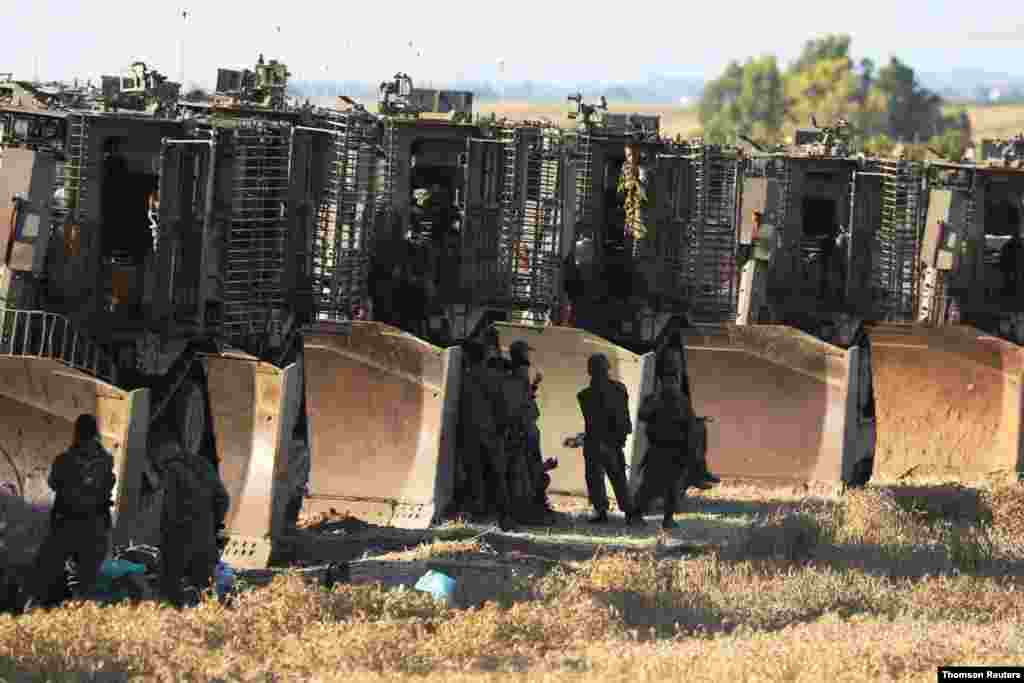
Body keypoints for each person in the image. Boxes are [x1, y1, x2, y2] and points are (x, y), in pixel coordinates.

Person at [28, 414, 116, 607]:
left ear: (76, 433)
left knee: (43, 573)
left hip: (67, 527)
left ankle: (35, 613)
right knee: (86, 585)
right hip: (96, 529)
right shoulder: (107, 460)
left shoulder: (64, 460)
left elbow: (53, 483)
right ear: (95, 433)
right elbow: (109, 483)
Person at [156, 439, 230, 608]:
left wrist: (167, 533)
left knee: (170, 590)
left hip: (179, 539)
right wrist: (212, 523)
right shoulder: (203, 464)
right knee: (204, 589)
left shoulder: (172, 469)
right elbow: (223, 498)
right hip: (205, 538)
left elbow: (170, 508)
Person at [576, 354, 643, 525]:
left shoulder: (584, 395)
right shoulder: (619, 389)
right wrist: (620, 437)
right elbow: (624, 417)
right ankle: (629, 512)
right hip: (611, 441)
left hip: (597, 441)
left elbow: (594, 421)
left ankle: (602, 511)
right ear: (607, 368)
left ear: (590, 371)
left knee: (597, 478)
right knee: (618, 478)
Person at [632, 372, 699, 530]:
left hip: (677, 450)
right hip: (658, 449)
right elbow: (643, 415)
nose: (670, 385)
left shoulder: (682, 401)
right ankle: (636, 515)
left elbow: (691, 425)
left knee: (673, 487)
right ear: (661, 383)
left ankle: (668, 519)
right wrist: (655, 402)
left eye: (673, 382)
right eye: (667, 382)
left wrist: (691, 451)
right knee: (649, 485)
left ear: (677, 383)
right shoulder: (653, 399)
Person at [656, 327, 719, 488]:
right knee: (691, 435)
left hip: (678, 413)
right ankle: (694, 475)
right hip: (666, 418)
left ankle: (699, 471)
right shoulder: (665, 374)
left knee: (699, 429)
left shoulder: (680, 374)